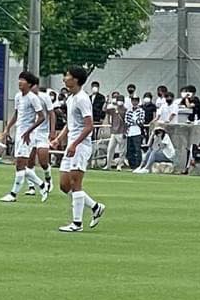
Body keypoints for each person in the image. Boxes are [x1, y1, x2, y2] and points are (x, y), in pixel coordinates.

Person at [51, 66, 105, 232]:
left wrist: (75, 144)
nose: (64, 78)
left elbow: (89, 126)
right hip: (71, 145)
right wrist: (59, 139)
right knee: (64, 185)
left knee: (75, 183)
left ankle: (77, 223)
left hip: (80, 145)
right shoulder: (70, 98)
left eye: (67, 75)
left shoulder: (82, 99)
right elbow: (70, 123)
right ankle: (95, 207)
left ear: (75, 79)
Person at [0, 71, 48, 202]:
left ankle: (13, 194)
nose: (20, 82)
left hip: (27, 135)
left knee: (20, 165)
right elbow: (16, 114)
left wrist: (28, 131)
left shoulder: (33, 98)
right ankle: (42, 185)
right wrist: (7, 128)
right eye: (19, 79)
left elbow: (42, 116)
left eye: (23, 80)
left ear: (30, 84)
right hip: (19, 132)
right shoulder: (17, 96)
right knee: (20, 165)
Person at [24, 85, 55, 195]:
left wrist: (52, 131)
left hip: (42, 133)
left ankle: (48, 179)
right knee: (29, 160)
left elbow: (51, 114)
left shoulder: (44, 97)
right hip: (31, 132)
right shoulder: (26, 98)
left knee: (43, 161)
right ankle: (31, 187)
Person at [104, 96, 127, 170]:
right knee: (110, 149)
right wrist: (106, 102)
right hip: (114, 132)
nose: (120, 102)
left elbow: (126, 122)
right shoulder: (113, 109)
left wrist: (125, 132)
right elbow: (104, 109)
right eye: (118, 100)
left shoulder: (125, 110)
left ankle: (120, 165)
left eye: (121, 100)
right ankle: (108, 165)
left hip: (121, 132)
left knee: (122, 150)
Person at [124, 96, 145, 170]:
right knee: (130, 150)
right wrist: (134, 121)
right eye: (133, 100)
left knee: (137, 149)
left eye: (136, 101)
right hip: (130, 132)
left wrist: (133, 121)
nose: (134, 102)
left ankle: (138, 165)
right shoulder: (128, 110)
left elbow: (141, 121)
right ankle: (132, 165)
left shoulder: (141, 110)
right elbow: (126, 121)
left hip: (137, 132)